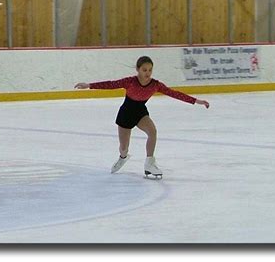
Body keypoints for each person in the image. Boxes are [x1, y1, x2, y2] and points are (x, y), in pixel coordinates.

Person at [75, 56, 209, 179]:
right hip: (126, 113)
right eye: (144, 70)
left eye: (150, 70)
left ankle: (150, 163)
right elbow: (111, 84)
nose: (147, 73)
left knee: (152, 131)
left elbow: (173, 93)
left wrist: (196, 101)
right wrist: (89, 85)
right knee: (124, 147)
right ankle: (123, 157)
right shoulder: (130, 81)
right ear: (138, 69)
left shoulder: (155, 85)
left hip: (140, 112)